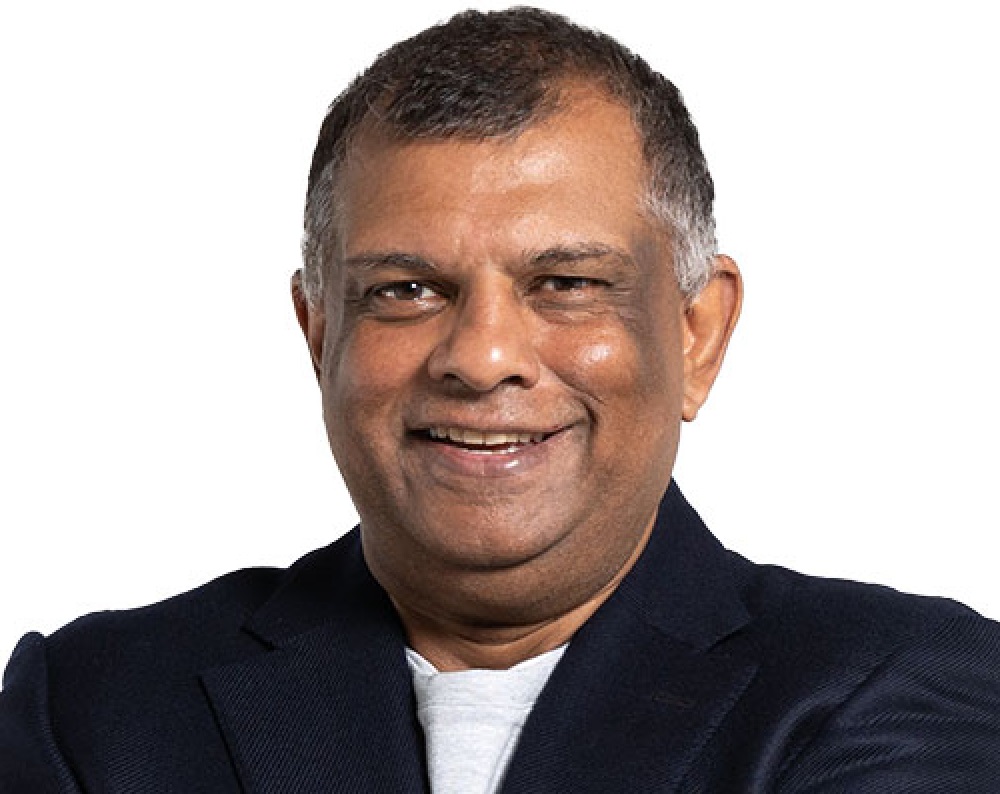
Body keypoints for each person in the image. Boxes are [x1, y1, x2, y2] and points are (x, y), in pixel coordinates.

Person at [1, 7, 997, 792]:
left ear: (697, 333)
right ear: (319, 333)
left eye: (566, 282)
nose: (481, 359)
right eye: (406, 289)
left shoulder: (896, 685)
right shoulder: (92, 708)